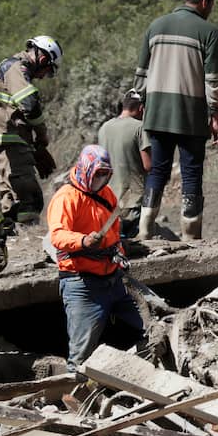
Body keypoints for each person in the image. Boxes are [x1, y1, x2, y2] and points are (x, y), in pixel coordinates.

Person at [134, 0, 218, 240]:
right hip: (191, 114)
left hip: (157, 112)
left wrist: (142, 101)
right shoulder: (209, 32)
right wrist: (215, 113)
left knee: (157, 171)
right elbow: (213, 80)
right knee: (191, 172)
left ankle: (145, 230)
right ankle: (190, 235)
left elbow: (141, 73)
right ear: (205, 2)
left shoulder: (156, 26)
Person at [47, 145, 143, 372]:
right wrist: (83, 241)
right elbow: (58, 235)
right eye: (98, 173)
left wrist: (119, 250)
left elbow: (114, 229)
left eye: (105, 174)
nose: (101, 178)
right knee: (81, 354)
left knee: (148, 326)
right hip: (82, 284)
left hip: (113, 279)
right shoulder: (66, 197)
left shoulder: (106, 194)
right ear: (86, 169)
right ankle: (75, 387)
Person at [0, 35, 62, 225]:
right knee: (30, 200)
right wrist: (42, 138)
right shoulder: (15, 67)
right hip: (10, 142)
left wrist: (34, 148)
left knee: (11, 202)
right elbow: (30, 105)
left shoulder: (11, 69)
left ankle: (12, 237)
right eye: (47, 71)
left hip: (8, 141)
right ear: (43, 59)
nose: (42, 77)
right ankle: (26, 237)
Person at [98, 90, 151, 238]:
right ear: (141, 108)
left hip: (107, 200)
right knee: (133, 244)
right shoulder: (140, 128)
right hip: (132, 201)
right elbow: (148, 166)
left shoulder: (104, 128)